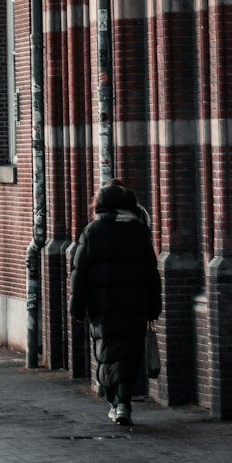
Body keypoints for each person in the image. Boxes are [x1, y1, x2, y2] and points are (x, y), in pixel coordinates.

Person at [69, 179, 162, 426]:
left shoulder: (92, 231)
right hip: (134, 306)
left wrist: (76, 308)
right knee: (128, 354)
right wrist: (154, 306)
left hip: (103, 307)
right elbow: (151, 272)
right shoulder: (139, 232)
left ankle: (116, 402)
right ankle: (123, 402)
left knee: (107, 353)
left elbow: (80, 273)